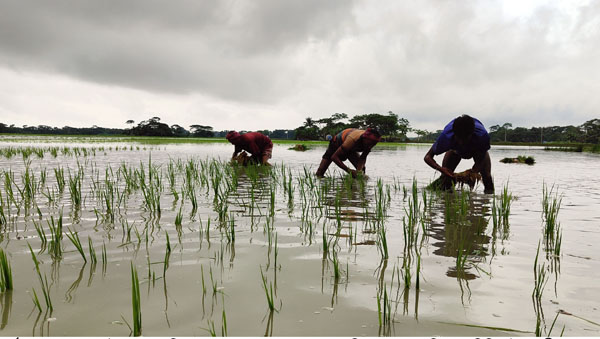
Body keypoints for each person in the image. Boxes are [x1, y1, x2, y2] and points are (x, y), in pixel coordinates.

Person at [424, 114, 494, 193]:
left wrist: (472, 173)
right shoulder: (446, 137)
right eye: (459, 138)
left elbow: (481, 159)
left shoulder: (482, 136)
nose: (461, 142)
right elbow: (427, 157)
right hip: (454, 151)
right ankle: (446, 201)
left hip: (478, 151)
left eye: (465, 139)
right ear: (454, 134)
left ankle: (488, 201)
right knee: (446, 177)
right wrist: (441, 169)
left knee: (487, 178)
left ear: (471, 134)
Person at [315, 127, 381, 178]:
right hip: (337, 143)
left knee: (361, 171)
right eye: (370, 144)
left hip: (352, 149)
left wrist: (359, 171)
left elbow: (363, 158)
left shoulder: (371, 142)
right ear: (364, 139)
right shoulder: (352, 139)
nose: (370, 146)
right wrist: (349, 171)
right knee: (320, 173)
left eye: (373, 144)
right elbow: (334, 157)